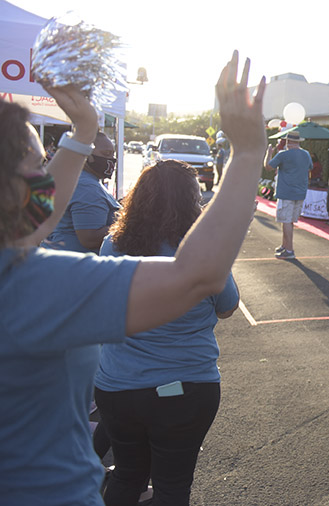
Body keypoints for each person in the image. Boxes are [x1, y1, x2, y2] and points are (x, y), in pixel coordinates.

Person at [0, 50, 266, 506]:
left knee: (128, 476)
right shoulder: (29, 285)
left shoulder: (24, 264)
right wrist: (247, 153)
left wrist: (84, 134)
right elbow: (197, 276)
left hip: (114, 398)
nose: (46, 178)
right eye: (36, 165)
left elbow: (33, 214)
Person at [95, 159, 239, 505]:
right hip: (187, 385)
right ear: (192, 202)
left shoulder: (113, 245)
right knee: (172, 487)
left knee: (127, 477)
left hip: (118, 385)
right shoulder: (206, 250)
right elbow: (227, 306)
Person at [44, 131, 120, 253]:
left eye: (112, 154)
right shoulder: (86, 186)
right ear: (86, 154)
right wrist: (127, 224)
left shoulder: (79, 178)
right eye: (106, 154)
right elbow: (90, 238)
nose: (111, 159)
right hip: (72, 265)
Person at [264, 130, 312, 259]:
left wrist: (268, 153)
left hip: (286, 193)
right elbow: (309, 168)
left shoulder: (283, 154)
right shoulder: (306, 154)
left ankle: (289, 250)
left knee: (286, 221)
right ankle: (285, 246)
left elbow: (268, 167)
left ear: (288, 142)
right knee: (289, 221)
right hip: (300, 193)